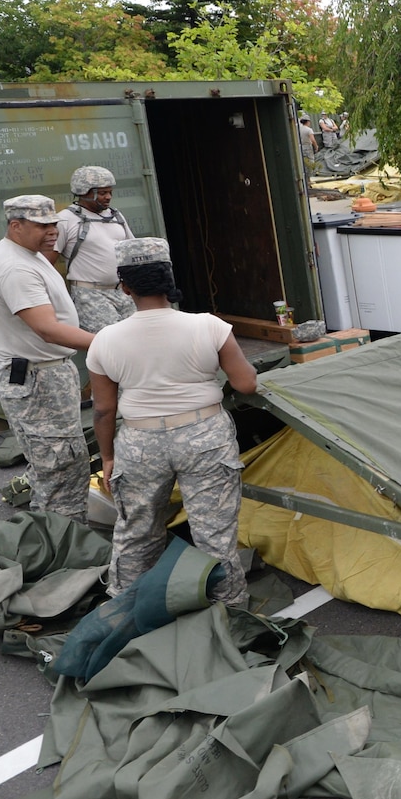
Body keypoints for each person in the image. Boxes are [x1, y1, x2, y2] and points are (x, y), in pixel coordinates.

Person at [88, 238, 258, 606]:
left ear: (125, 287)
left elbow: (103, 410)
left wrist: (108, 458)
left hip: (140, 440)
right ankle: (230, 616)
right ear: (168, 279)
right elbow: (245, 383)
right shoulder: (210, 326)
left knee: (136, 531)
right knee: (215, 533)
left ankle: (122, 610)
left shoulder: (104, 340)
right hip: (205, 435)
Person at [0, 195, 95, 522]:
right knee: (60, 468)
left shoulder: (25, 253)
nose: (51, 231)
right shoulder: (16, 267)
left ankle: (56, 534)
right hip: (38, 378)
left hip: (44, 373)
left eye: (53, 224)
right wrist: (108, 343)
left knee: (55, 463)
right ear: (15, 226)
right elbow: (47, 329)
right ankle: (63, 546)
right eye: (41, 225)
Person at [54, 167, 137, 334]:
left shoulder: (116, 216)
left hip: (124, 293)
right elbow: (47, 261)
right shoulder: (66, 219)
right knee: (111, 343)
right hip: (91, 296)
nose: (108, 197)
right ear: (84, 192)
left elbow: (132, 249)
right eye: (102, 193)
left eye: (110, 192)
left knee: (136, 340)